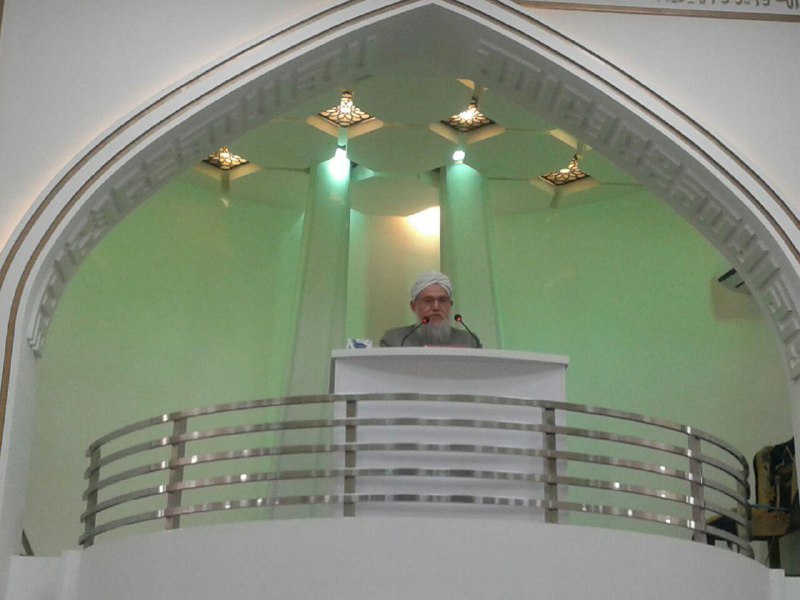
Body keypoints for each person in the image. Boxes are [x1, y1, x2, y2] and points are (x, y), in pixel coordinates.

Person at [380, 271, 480, 347]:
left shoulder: (469, 341)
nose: (436, 307)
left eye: (442, 300)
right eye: (428, 301)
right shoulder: (395, 340)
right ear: (413, 306)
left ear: (450, 305)